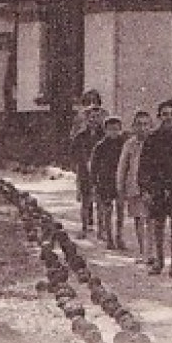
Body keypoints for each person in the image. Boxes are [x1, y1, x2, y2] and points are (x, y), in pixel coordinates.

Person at [139, 99, 172, 278]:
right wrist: (145, 189)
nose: (168, 118)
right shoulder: (152, 139)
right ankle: (159, 261)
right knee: (158, 225)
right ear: (159, 117)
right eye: (165, 114)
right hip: (157, 187)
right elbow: (143, 166)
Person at [116, 110, 153, 259]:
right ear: (134, 127)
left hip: (151, 186)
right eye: (139, 124)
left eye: (146, 124)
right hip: (134, 186)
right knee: (138, 218)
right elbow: (122, 166)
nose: (143, 128)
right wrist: (120, 187)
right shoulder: (130, 144)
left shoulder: (154, 142)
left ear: (150, 126)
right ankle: (142, 250)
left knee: (151, 219)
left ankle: (151, 251)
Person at [68, 94, 104, 237]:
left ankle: (102, 229)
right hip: (84, 170)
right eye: (91, 118)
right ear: (86, 119)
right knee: (85, 199)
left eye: (96, 117)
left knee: (101, 200)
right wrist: (79, 164)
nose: (94, 121)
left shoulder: (104, 135)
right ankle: (85, 226)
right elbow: (73, 152)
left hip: (101, 171)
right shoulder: (80, 136)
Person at [90, 116, 127, 250]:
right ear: (105, 130)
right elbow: (94, 166)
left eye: (116, 129)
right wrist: (94, 183)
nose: (114, 132)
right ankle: (110, 238)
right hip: (105, 182)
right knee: (107, 211)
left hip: (120, 181)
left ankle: (119, 236)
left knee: (121, 210)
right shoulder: (100, 146)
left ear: (120, 130)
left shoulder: (124, 144)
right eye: (111, 129)